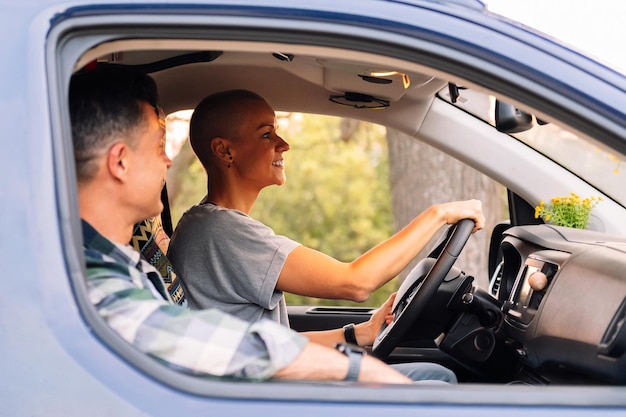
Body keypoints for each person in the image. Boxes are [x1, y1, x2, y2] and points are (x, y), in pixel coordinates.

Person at [70, 65, 412, 384]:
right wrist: (355, 367)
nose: (168, 159)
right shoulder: (94, 281)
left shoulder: (123, 266)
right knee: (436, 381)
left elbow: (231, 339)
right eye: (157, 147)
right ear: (119, 162)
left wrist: (356, 336)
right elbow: (184, 341)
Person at [167, 89, 485, 382]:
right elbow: (355, 282)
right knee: (437, 380)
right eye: (266, 134)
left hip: (264, 383)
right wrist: (438, 215)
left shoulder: (205, 223)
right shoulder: (223, 232)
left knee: (432, 374)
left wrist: (359, 333)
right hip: (264, 397)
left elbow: (268, 341)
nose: (283, 144)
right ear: (225, 151)